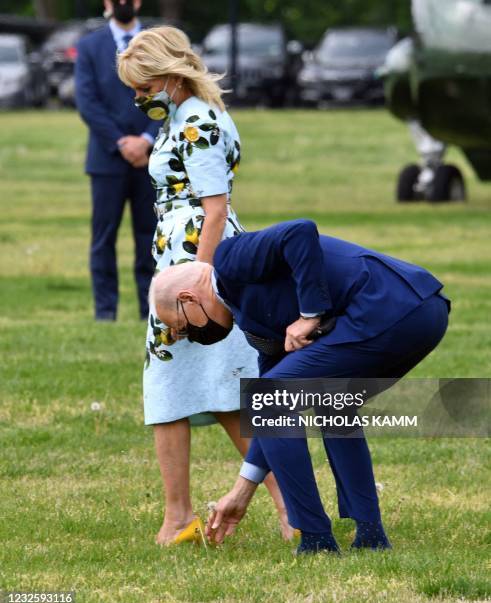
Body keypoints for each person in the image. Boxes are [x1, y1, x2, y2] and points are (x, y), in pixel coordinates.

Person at [149, 219, 451, 554]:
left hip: (395, 306)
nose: (187, 335)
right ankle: (370, 534)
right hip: (420, 315)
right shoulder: (254, 328)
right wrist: (241, 491)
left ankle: (316, 539)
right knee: (330, 402)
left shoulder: (229, 257)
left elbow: (300, 231)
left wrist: (310, 313)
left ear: (189, 298)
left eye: (183, 327)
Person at [116, 26, 292, 545]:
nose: (139, 97)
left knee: (229, 392)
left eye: (145, 86)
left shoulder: (200, 123)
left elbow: (214, 212)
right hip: (175, 267)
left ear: (170, 75)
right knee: (169, 384)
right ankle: (178, 517)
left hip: (199, 266)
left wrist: (200, 278)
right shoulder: (178, 118)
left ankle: (292, 508)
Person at [75, 0, 159, 321]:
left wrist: (147, 140)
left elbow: (171, 91)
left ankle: (150, 311)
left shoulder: (156, 42)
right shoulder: (89, 46)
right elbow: (87, 101)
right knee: (103, 238)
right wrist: (122, 142)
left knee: (150, 237)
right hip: (107, 160)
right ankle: (105, 313)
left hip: (150, 159)